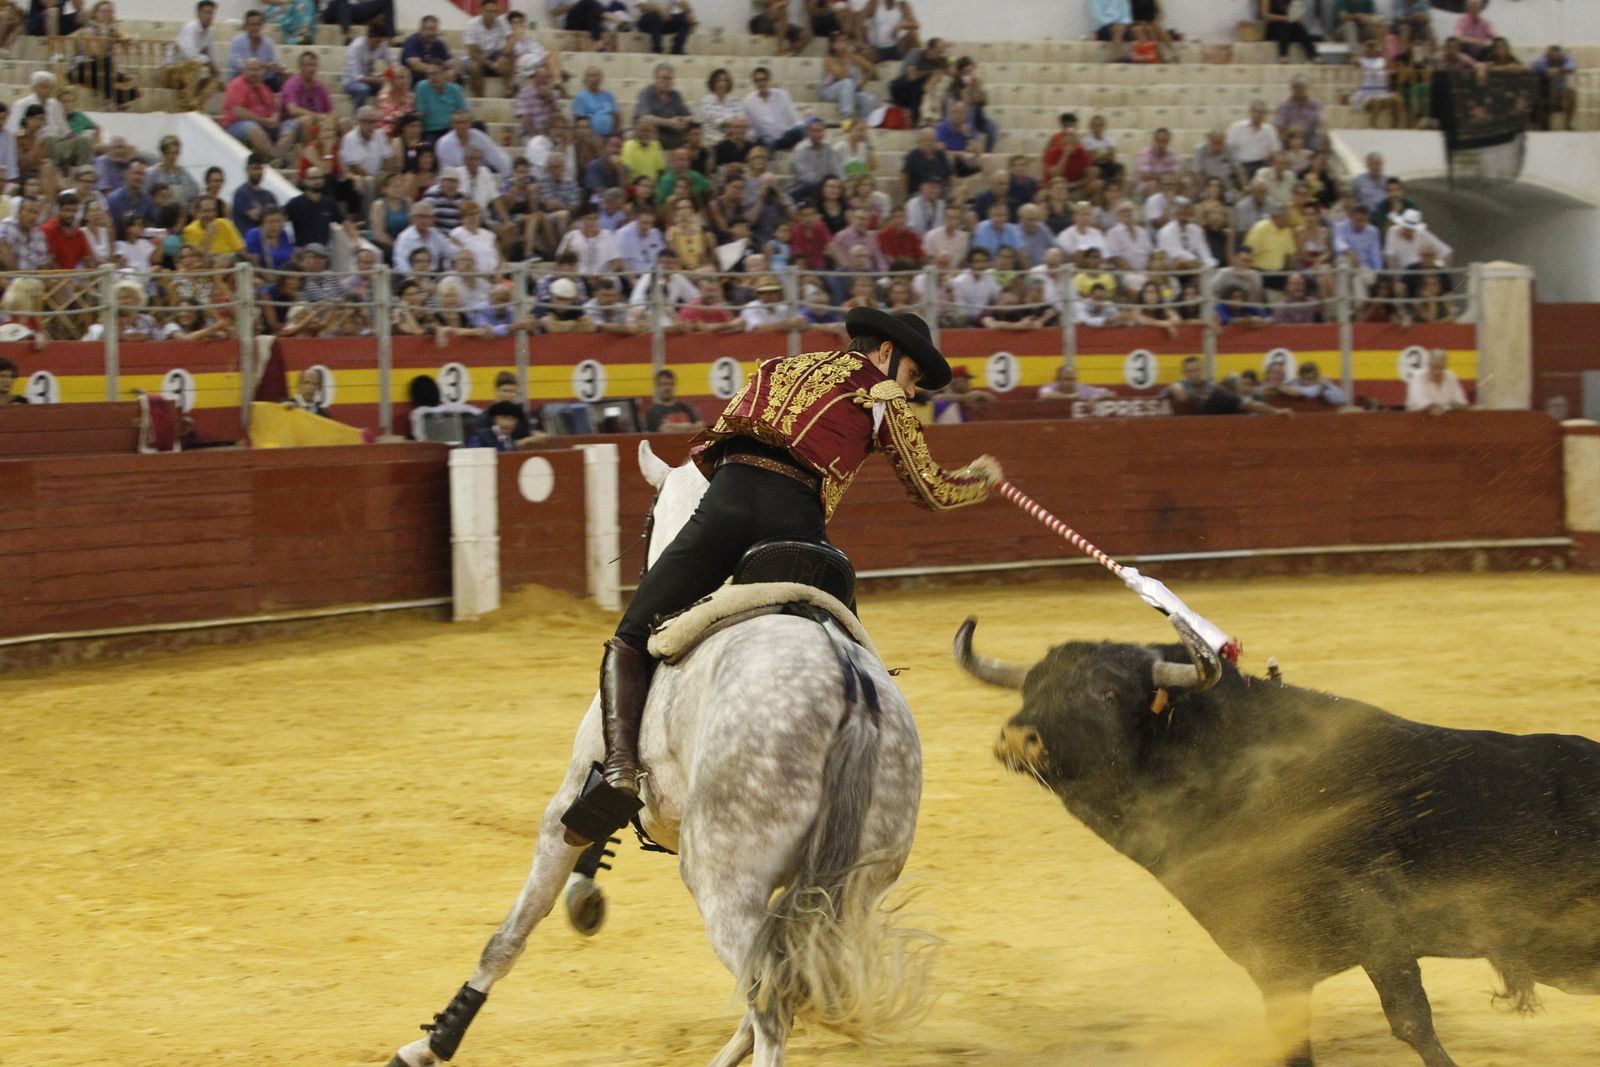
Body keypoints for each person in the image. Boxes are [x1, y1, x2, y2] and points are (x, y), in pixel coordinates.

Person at [557, 306, 1002, 846]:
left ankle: (622, 772)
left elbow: (704, 459)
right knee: (852, 652)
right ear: (886, 353)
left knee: (631, 635)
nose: (908, 392)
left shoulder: (777, 369)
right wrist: (979, 481)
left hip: (723, 508)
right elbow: (929, 488)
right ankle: (865, 778)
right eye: (911, 377)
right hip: (794, 527)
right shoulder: (881, 396)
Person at [1405, 349, 1469, 414]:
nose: (1437, 372)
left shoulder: (1450, 376)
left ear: (1445, 367)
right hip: (1417, 420)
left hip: (1446, 419)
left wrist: (1457, 405)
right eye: (1434, 368)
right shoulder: (1418, 377)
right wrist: (1434, 407)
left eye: (1441, 368)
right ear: (1428, 365)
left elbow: (1461, 402)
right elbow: (1421, 402)